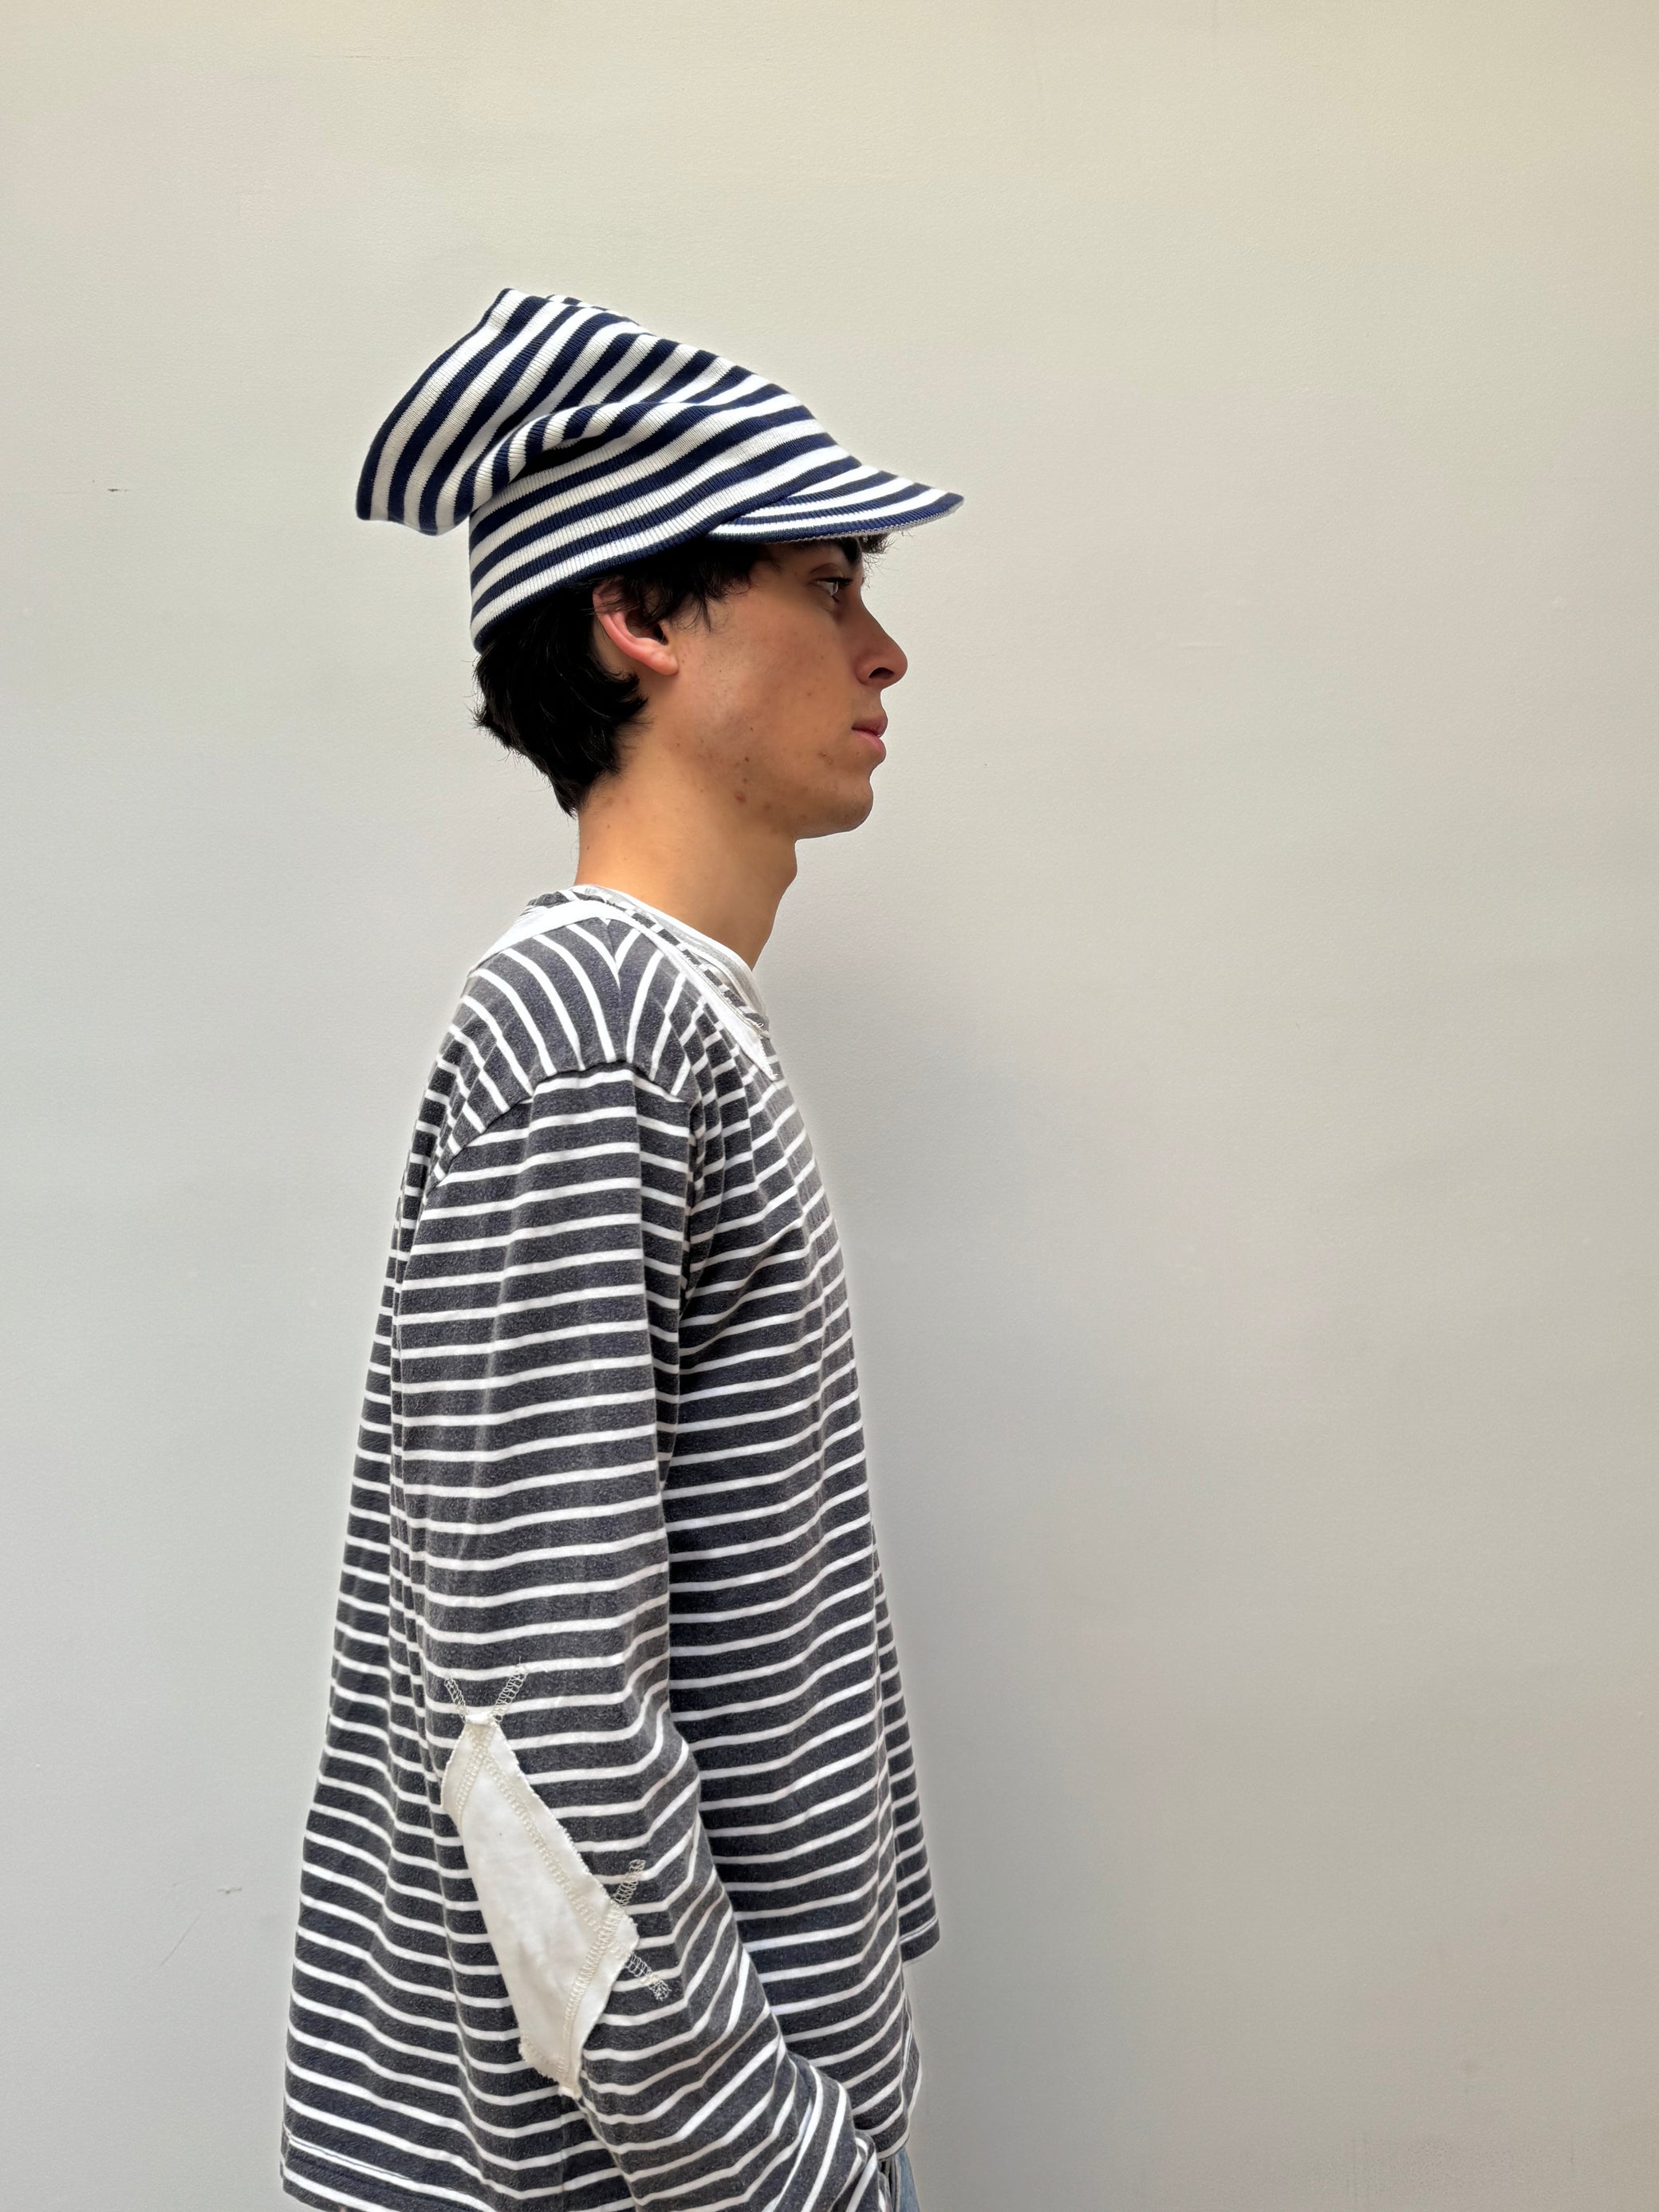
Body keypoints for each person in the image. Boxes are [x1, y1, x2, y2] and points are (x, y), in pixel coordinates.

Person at [281, 289, 960, 2212]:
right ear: (640, 616)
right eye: (824, 582)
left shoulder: (655, 1021)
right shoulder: (595, 1031)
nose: (883, 647)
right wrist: (790, 2170)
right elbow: (543, 1726)